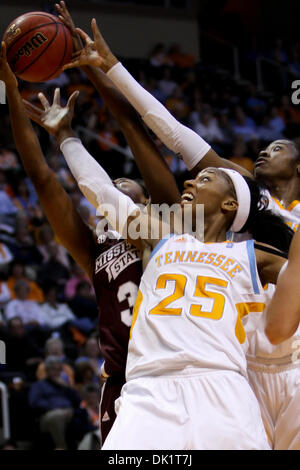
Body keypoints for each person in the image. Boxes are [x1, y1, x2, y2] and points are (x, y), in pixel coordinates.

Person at [68, 20, 300, 449]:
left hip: (285, 368)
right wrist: (110, 67)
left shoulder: (265, 242)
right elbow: (172, 133)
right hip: (233, 368)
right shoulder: (237, 220)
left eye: (281, 146)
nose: (265, 149)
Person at [0, 14, 180, 447]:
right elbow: (42, 178)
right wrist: (10, 88)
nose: (113, 191)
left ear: (144, 201)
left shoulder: (171, 225)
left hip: (178, 370)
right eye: (109, 188)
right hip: (124, 384)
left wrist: (94, 70)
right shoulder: (93, 248)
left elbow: (135, 133)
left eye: (124, 185)